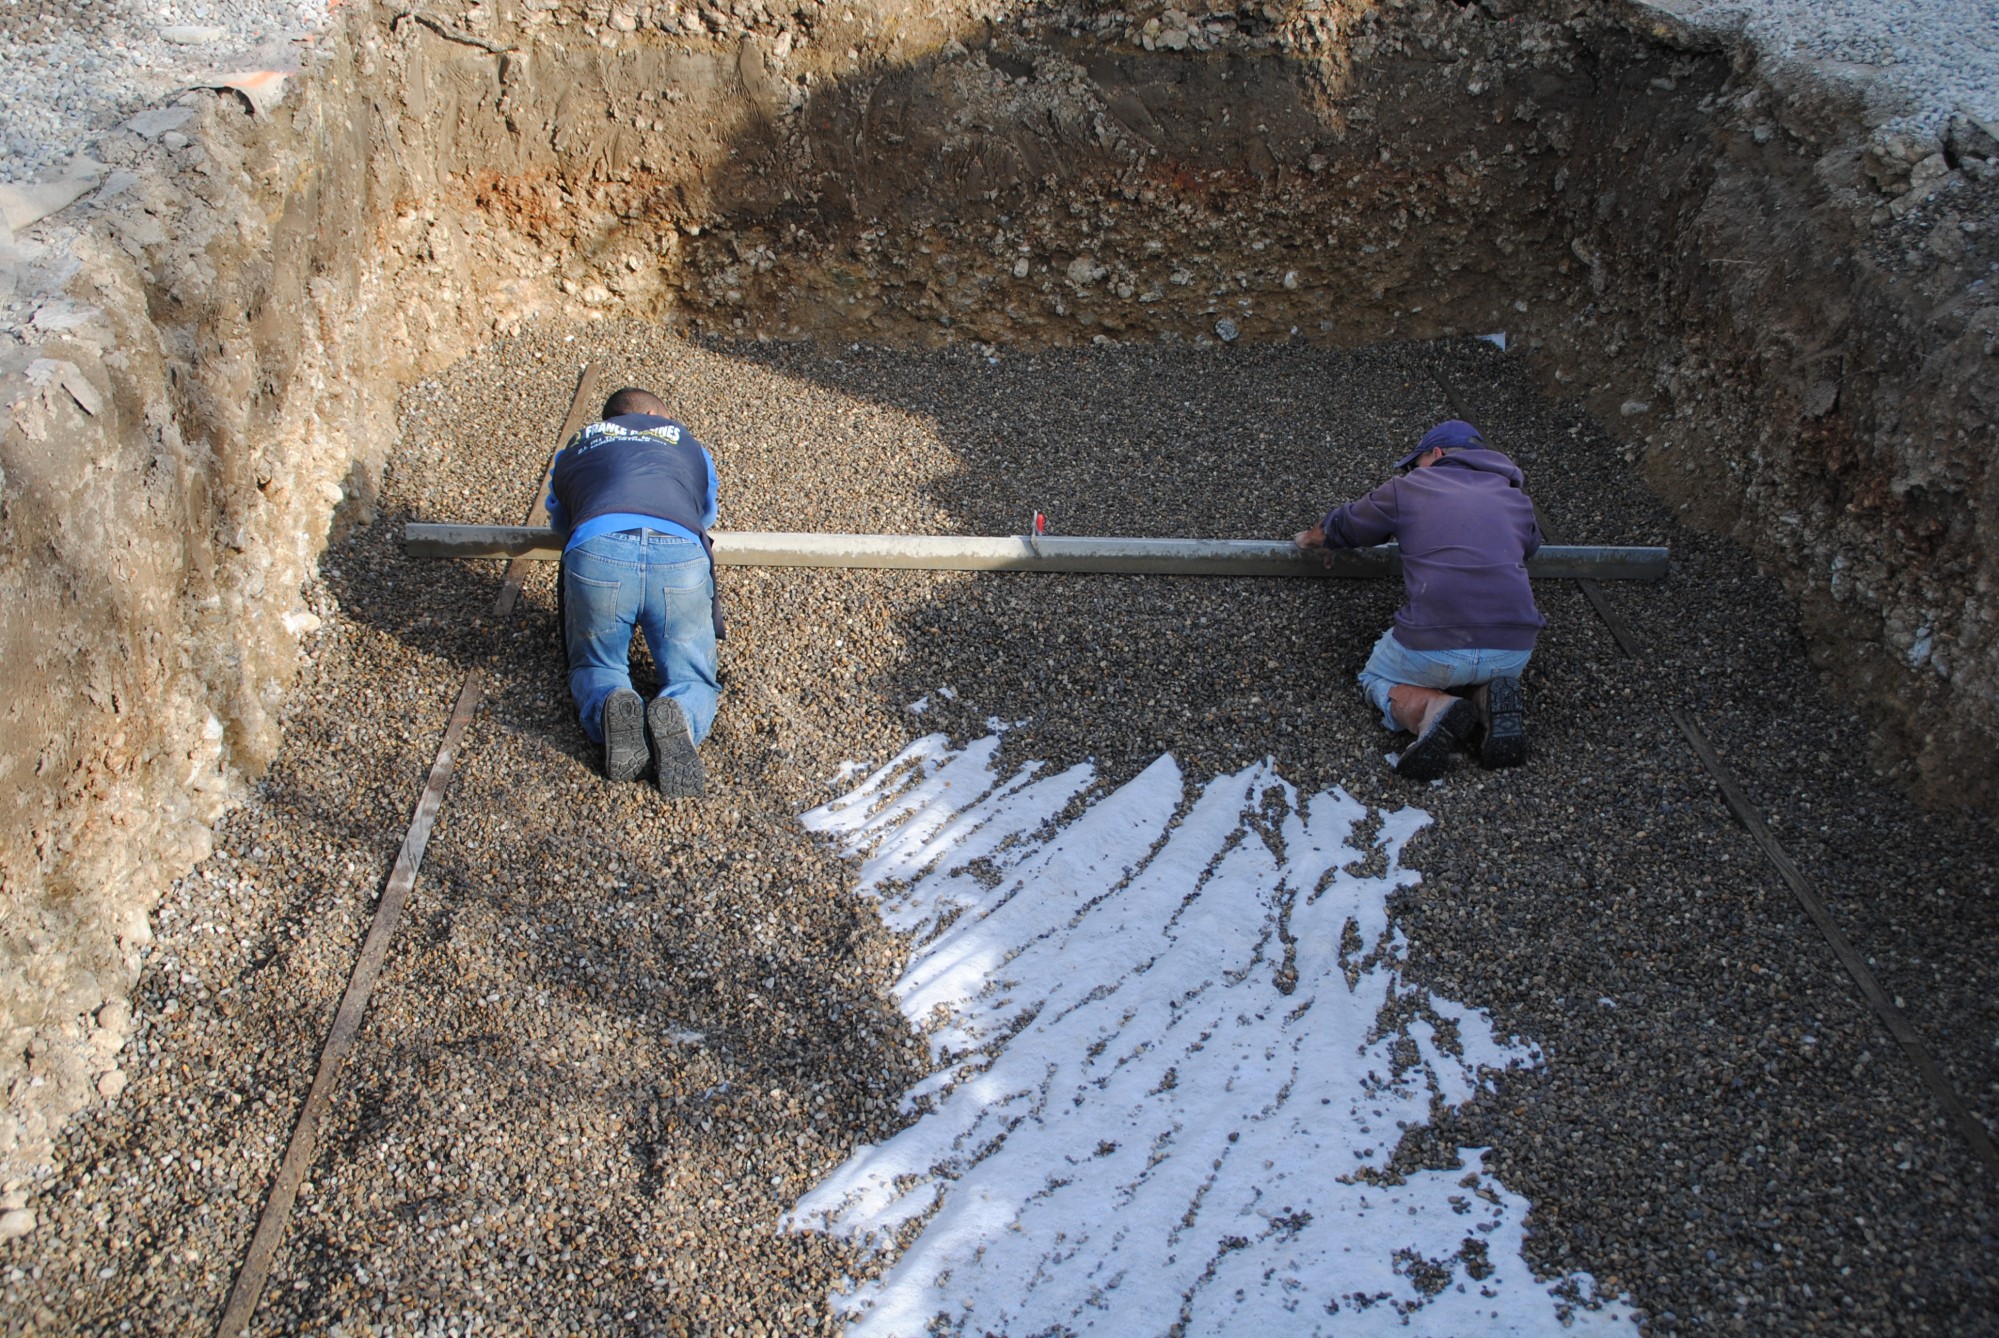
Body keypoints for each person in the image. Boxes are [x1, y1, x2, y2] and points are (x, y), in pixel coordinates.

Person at [1295, 419, 1543, 781]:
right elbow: (1531, 547)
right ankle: (1490, 695)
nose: (1413, 470)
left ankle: (1433, 708)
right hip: (1513, 648)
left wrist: (1314, 538)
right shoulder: (1515, 498)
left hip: (1434, 645)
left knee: (1374, 676)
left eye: (1416, 462)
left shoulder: (1410, 488)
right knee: (1475, 667)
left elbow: (1350, 524)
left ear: (1437, 454)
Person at [546, 386, 721, 797]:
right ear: (657, 415)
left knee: (596, 665)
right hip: (678, 553)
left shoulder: (578, 444)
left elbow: (559, 519)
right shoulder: (687, 442)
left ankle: (612, 700)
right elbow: (706, 511)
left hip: (597, 548)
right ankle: (680, 712)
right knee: (693, 674)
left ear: (609, 421)